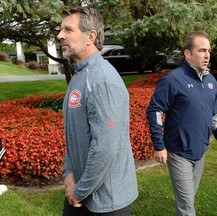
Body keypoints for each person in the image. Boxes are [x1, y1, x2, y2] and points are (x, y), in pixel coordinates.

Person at [57, 6, 138, 216]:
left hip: (106, 203)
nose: (59, 35)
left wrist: (79, 190)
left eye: (68, 29)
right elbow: (73, 133)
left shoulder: (102, 80)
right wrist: (68, 172)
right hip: (80, 193)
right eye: (60, 29)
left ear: (90, 36)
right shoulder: (80, 76)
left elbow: (106, 146)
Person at [146, 31, 217, 216]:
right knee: (187, 207)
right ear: (187, 54)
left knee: (188, 200)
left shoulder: (210, 81)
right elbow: (155, 111)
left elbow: (215, 113)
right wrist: (159, 146)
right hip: (178, 152)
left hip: (199, 152)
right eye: (201, 50)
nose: (207, 55)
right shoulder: (172, 80)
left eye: (208, 50)